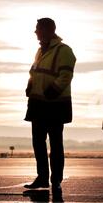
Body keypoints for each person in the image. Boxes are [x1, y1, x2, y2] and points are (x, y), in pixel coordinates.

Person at [24, 18, 76, 192]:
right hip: (38, 104)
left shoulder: (64, 51)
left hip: (55, 105)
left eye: (37, 29)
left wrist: (53, 90)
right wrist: (30, 85)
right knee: (38, 143)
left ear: (47, 30)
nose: (35, 32)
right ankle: (42, 178)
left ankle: (56, 180)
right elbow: (34, 72)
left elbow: (65, 76)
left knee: (55, 144)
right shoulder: (40, 51)